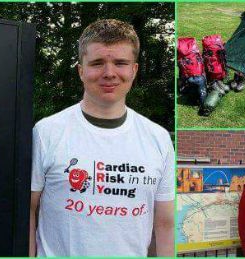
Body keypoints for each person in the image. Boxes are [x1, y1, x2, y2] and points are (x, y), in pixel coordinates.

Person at [29, 19, 175, 257]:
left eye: (120, 63)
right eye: (97, 63)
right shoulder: (47, 132)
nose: (109, 73)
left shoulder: (157, 138)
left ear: (134, 70)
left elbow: (164, 225)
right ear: (81, 70)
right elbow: (28, 212)